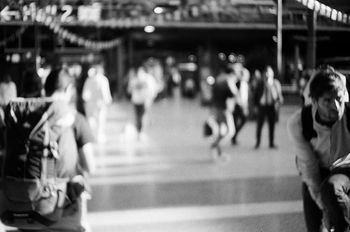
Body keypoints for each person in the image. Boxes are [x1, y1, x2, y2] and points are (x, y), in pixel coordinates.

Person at [287, 66, 350, 232]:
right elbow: (308, 165)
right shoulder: (299, 123)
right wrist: (324, 208)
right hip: (318, 171)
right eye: (327, 101)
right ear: (314, 102)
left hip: (345, 170)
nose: (336, 107)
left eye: (339, 99)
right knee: (315, 225)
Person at [44, 67, 96, 232]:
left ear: (45, 89)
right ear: (68, 90)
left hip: (26, 206)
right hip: (64, 208)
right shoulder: (76, 119)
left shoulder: (31, 117)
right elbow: (90, 166)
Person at [208, 63, 237, 160]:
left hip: (215, 108)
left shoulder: (219, 78)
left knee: (221, 131)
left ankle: (218, 153)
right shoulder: (227, 80)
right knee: (231, 131)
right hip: (223, 109)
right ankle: (215, 145)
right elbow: (232, 94)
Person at [254, 65, 283, 149]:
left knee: (272, 126)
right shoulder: (260, 83)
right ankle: (258, 143)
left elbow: (279, 96)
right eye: (266, 72)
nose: (267, 74)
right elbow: (256, 96)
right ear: (264, 74)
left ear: (272, 73)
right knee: (259, 126)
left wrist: (278, 103)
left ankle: (271, 143)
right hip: (262, 107)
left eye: (269, 72)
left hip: (271, 107)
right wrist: (255, 107)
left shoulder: (275, 83)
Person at [82, 63, 112, 143]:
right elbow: (106, 93)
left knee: (93, 121)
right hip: (99, 104)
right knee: (100, 120)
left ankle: (95, 136)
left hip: (93, 104)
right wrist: (108, 101)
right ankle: (99, 136)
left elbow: (85, 94)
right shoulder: (103, 79)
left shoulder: (89, 80)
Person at [127, 63, 158, 140]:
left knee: (143, 116)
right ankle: (139, 132)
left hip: (144, 100)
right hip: (137, 101)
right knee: (138, 117)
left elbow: (153, 89)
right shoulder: (135, 79)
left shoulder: (148, 78)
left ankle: (142, 132)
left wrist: (150, 98)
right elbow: (129, 90)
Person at [230, 61, 250, 145]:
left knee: (238, 121)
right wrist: (243, 106)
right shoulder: (240, 83)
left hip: (239, 105)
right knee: (239, 121)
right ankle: (234, 137)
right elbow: (241, 96)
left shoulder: (243, 83)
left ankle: (234, 137)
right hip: (238, 105)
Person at [0, 73, 17, 150]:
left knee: (10, 126)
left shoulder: (12, 85)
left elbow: (14, 95)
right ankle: (4, 144)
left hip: (11, 107)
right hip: (4, 107)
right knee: (4, 126)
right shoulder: (2, 85)